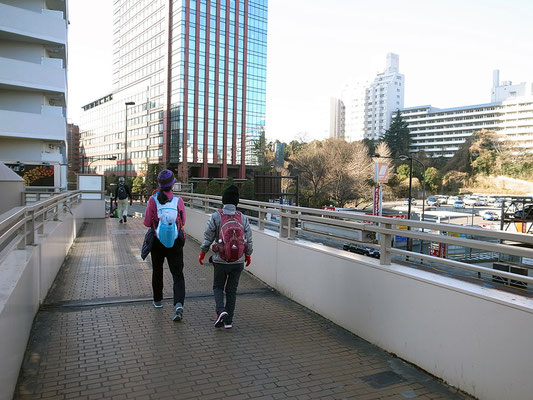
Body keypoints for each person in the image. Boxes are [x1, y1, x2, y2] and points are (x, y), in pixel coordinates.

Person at [199, 185, 253, 329]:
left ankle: (220, 311)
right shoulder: (242, 217)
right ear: (236, 201)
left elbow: (208, 237)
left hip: (220, 260)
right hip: (238, 261)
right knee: (231, 290)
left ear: (223, 200)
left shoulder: (217, 216)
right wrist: (247, 255)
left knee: (218, 287)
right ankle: (228, 321)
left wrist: (203, 253)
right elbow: (249, 238)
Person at [143, 169, 186, 321]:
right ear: (173, 185)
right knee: (178, 274)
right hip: (175, 242)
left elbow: (147, 222)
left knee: (157, 270)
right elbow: (183, 222)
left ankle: (158, 301)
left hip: (157, 242)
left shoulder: (152, 200)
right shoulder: (178, 201)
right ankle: (179, 304)